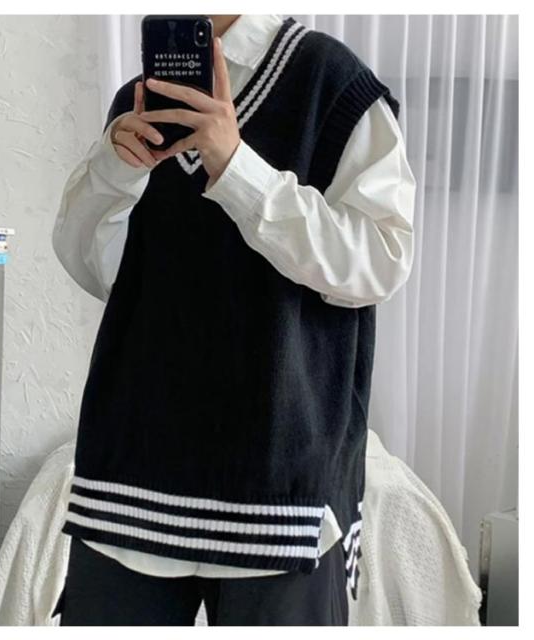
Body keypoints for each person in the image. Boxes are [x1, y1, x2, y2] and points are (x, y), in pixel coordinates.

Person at [50, 14, 416, 626]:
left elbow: (381, 260)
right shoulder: (141, 97)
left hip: (277, 491)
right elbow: (102, 272)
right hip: (131, 481)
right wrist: (115, 169)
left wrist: (237, 168)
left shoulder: (331, 81)